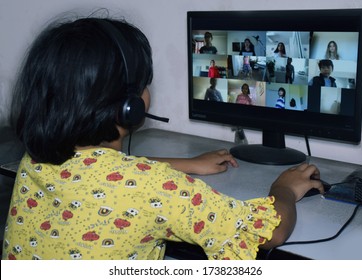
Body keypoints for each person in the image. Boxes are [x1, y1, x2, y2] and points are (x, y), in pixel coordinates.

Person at [2, 15, 324, 260]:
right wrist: (283, 189)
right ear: (129, 107)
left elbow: (98, 172)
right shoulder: (153, 187)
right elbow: (270, 231)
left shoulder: (34, 162)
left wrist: (186, 164)